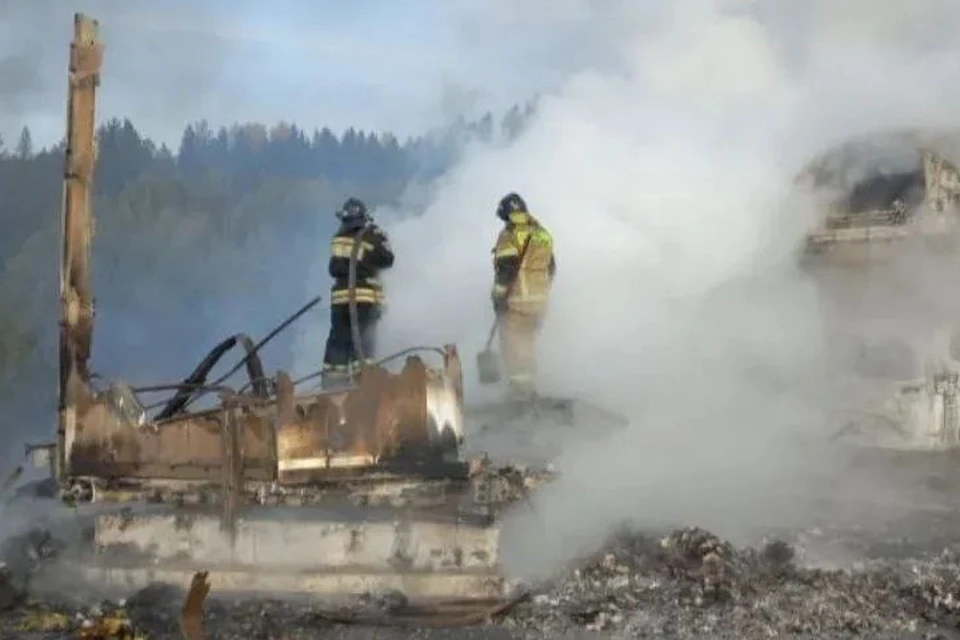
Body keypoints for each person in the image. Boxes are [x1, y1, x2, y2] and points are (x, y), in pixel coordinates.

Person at [321, 197, 394, 388]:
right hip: (365, 300)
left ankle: (332, 387)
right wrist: (380, 240)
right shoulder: (372, 235)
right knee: (363, 343)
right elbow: (387, 259)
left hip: (340, 301)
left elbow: (333, 269)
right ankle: (364, 384)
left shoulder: (339, 238)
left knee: (338, 342)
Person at [490, 192, 556, 399]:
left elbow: (506, 270)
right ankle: (530, 387)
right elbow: (551, 268)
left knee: (513, 345)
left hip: (517, 301)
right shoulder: (542, 233)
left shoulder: (509, 235)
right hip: (539, 302)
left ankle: (519, 394)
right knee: (528, 342)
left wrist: (498, 298)